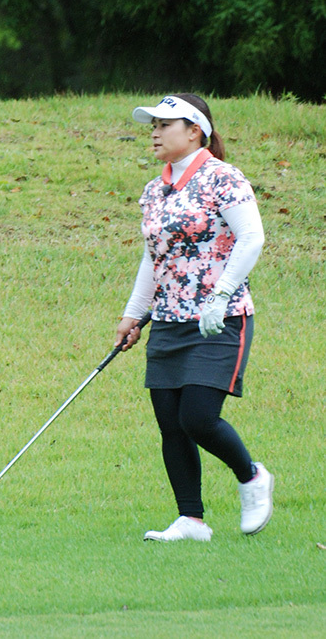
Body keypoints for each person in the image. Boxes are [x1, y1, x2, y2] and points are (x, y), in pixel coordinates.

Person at [115, 93, 274, 542]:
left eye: (165, 125)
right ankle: (191, 520)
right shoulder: (155, 190)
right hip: (168, 320)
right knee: (171, 422)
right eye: (153, 125)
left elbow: (251, 237)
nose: (155, 132)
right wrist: (133, 314)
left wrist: (221, 295)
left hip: (219, 320)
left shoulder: (224, 177)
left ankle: (251, 476)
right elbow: (153, 258)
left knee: (198, 418)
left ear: (194, 131)